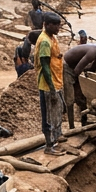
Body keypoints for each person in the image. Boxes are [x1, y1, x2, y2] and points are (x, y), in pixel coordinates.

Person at [62, 40, 96, 128]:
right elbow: (76, 71)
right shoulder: (92, 53)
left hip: (77, 68)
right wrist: (78, 85)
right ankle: (71, 126)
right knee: (70, 98)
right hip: (68, 68)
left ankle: (84, 122)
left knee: (82, 98)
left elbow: (92, 69)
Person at [37, 13, 65, 156]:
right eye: (55, 25)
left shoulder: (51, 38)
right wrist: (52, 89)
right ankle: (49, 146)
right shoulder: (45, 42)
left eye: (59, 25)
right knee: (48, 117)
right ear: (47, 24)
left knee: (56, 113)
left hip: (55, 82)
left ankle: (55, 139)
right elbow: (45, 66)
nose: (58, 28)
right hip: (48, 85)